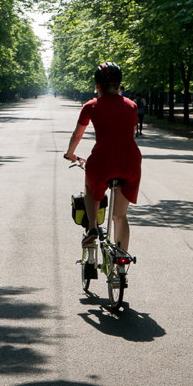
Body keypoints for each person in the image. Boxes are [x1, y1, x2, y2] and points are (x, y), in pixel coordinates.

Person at [63, 62, 142, 252]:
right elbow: (130, 134)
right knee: (120, 216)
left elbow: (78, 134)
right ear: (119, 83)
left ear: (97, 84)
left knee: (90, 188)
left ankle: (92, 228)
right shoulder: (131, 106)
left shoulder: (91, 106)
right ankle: (121, 260)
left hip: (103, 160)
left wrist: (70, 153)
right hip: (129, 161)